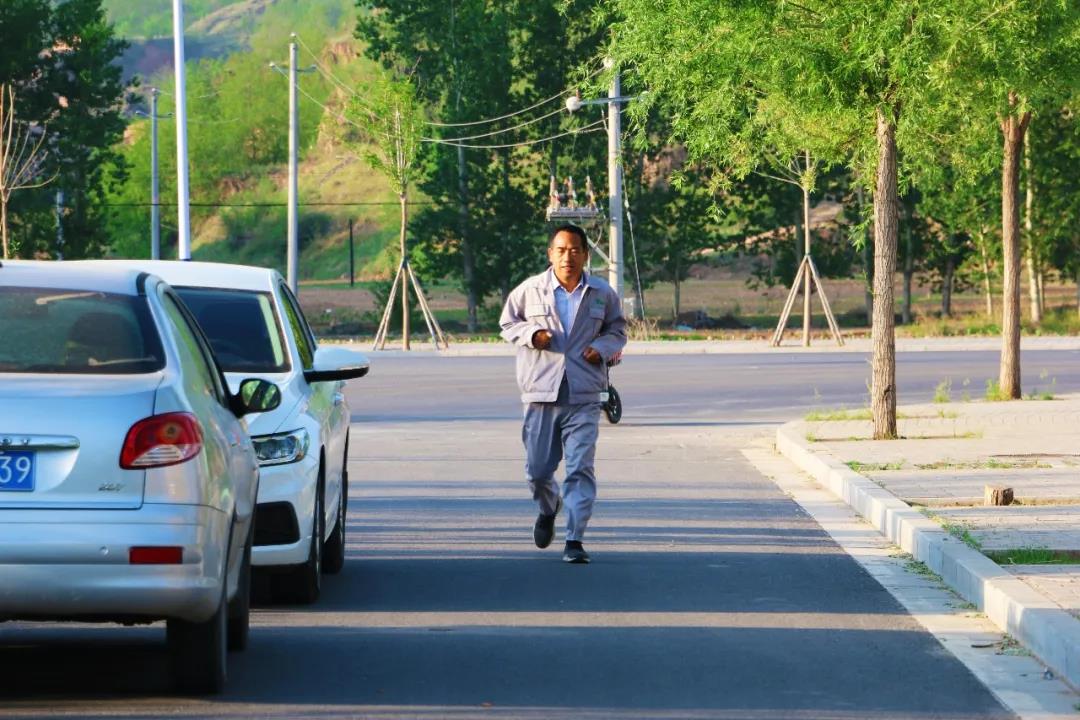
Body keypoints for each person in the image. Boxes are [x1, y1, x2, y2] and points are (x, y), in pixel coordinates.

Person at [499, 224, 627, 564]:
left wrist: (601, 347)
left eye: (574, 250)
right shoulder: (531, 290)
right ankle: (548, 506)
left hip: (584, 394)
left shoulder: (601, 293)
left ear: (585, 254)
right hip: (541, 392)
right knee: (538, 471)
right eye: (560, 250)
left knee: (580, 467)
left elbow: (618, 329)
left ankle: (574, 538)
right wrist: (532, 334)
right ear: (550, 254)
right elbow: (507, 323)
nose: (567, 256)